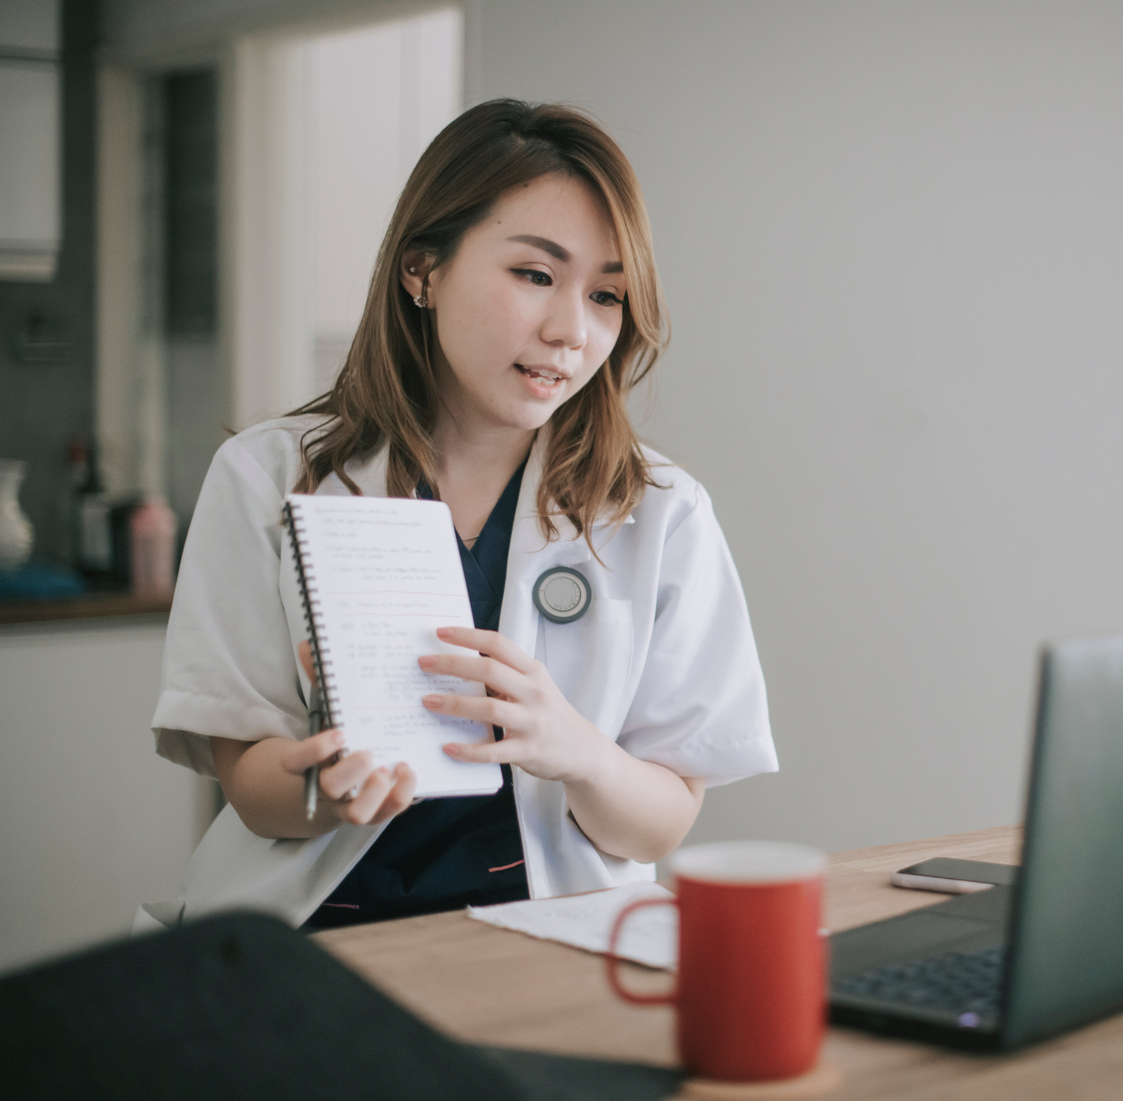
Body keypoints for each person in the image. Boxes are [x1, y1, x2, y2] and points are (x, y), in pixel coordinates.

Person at [139, 101, 776, 931]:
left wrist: (574, 747)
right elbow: (252, 788)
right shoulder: (267, 477)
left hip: (552, 937)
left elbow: (662, 817)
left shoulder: (657, 510)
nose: (570, 332)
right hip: (320, 937)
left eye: (608, 295)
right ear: (422, 271)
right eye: (535, 275)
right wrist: (321, 784)